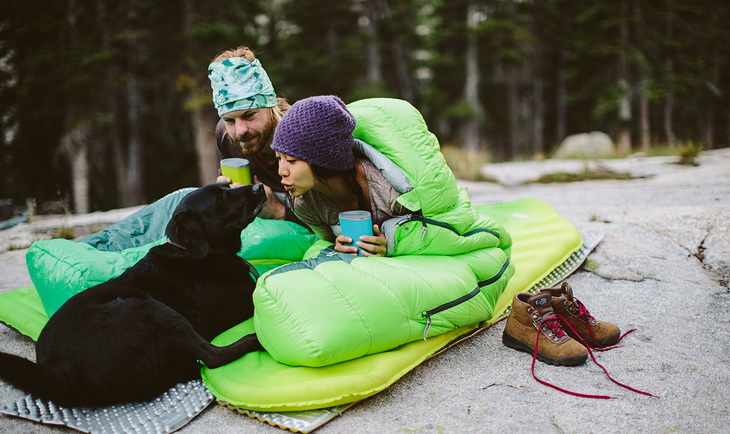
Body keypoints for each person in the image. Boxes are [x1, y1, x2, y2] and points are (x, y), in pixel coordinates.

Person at [271, 95, 410, 257]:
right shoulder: (305, 204)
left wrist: (393, 244)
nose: (281, 171)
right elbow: (326, 242)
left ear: (322, 158)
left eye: (291, 160)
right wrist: (336, 247)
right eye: (278, 159)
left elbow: (433, 231)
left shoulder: (390, 191)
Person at [207, 46, 303, 225]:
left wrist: (278, 211)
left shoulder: (301, 136)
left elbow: (336, 217)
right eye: (229, 120)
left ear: (269, 105)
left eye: (249, 115)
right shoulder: (225, 136)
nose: (240, 130)